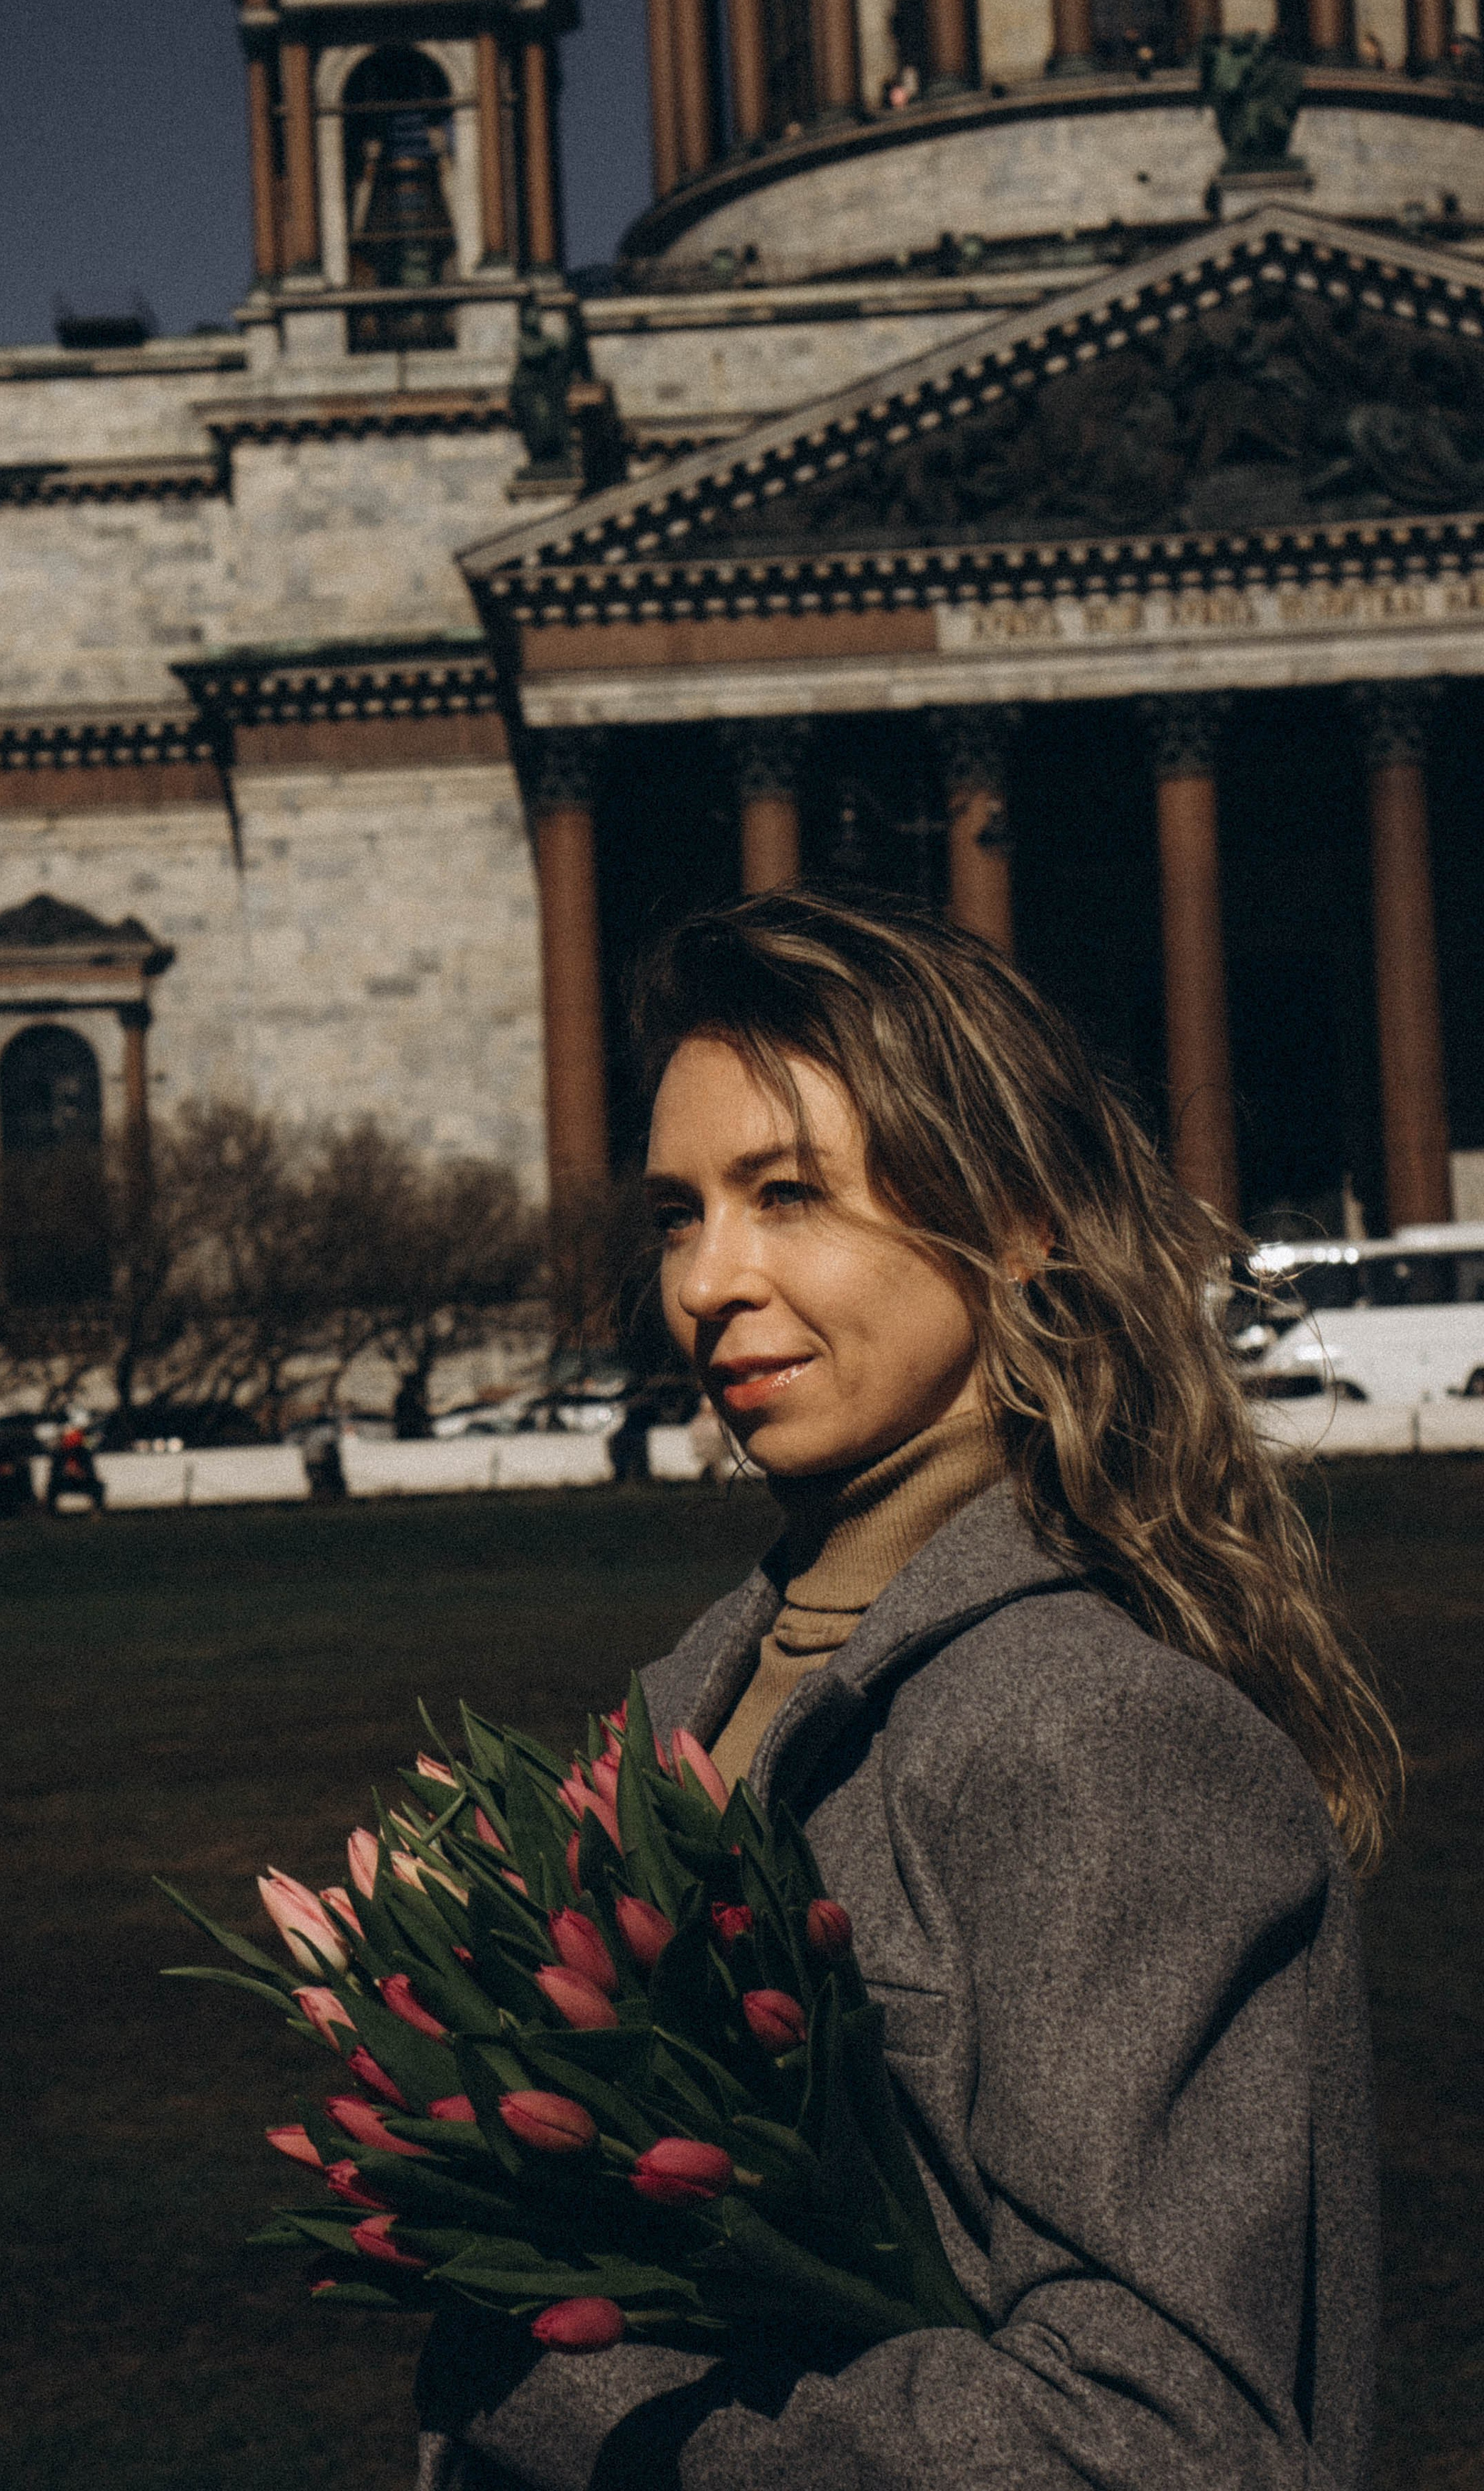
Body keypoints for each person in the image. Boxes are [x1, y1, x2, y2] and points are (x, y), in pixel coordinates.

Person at [418, 890, 1395, 2491]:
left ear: (1013, 1220)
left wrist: (569, 2404)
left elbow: (1157, 2447)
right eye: (677, 1211)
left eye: (785, 1192)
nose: (706, 1282)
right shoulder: (680, 1695)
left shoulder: (1100, 1739)